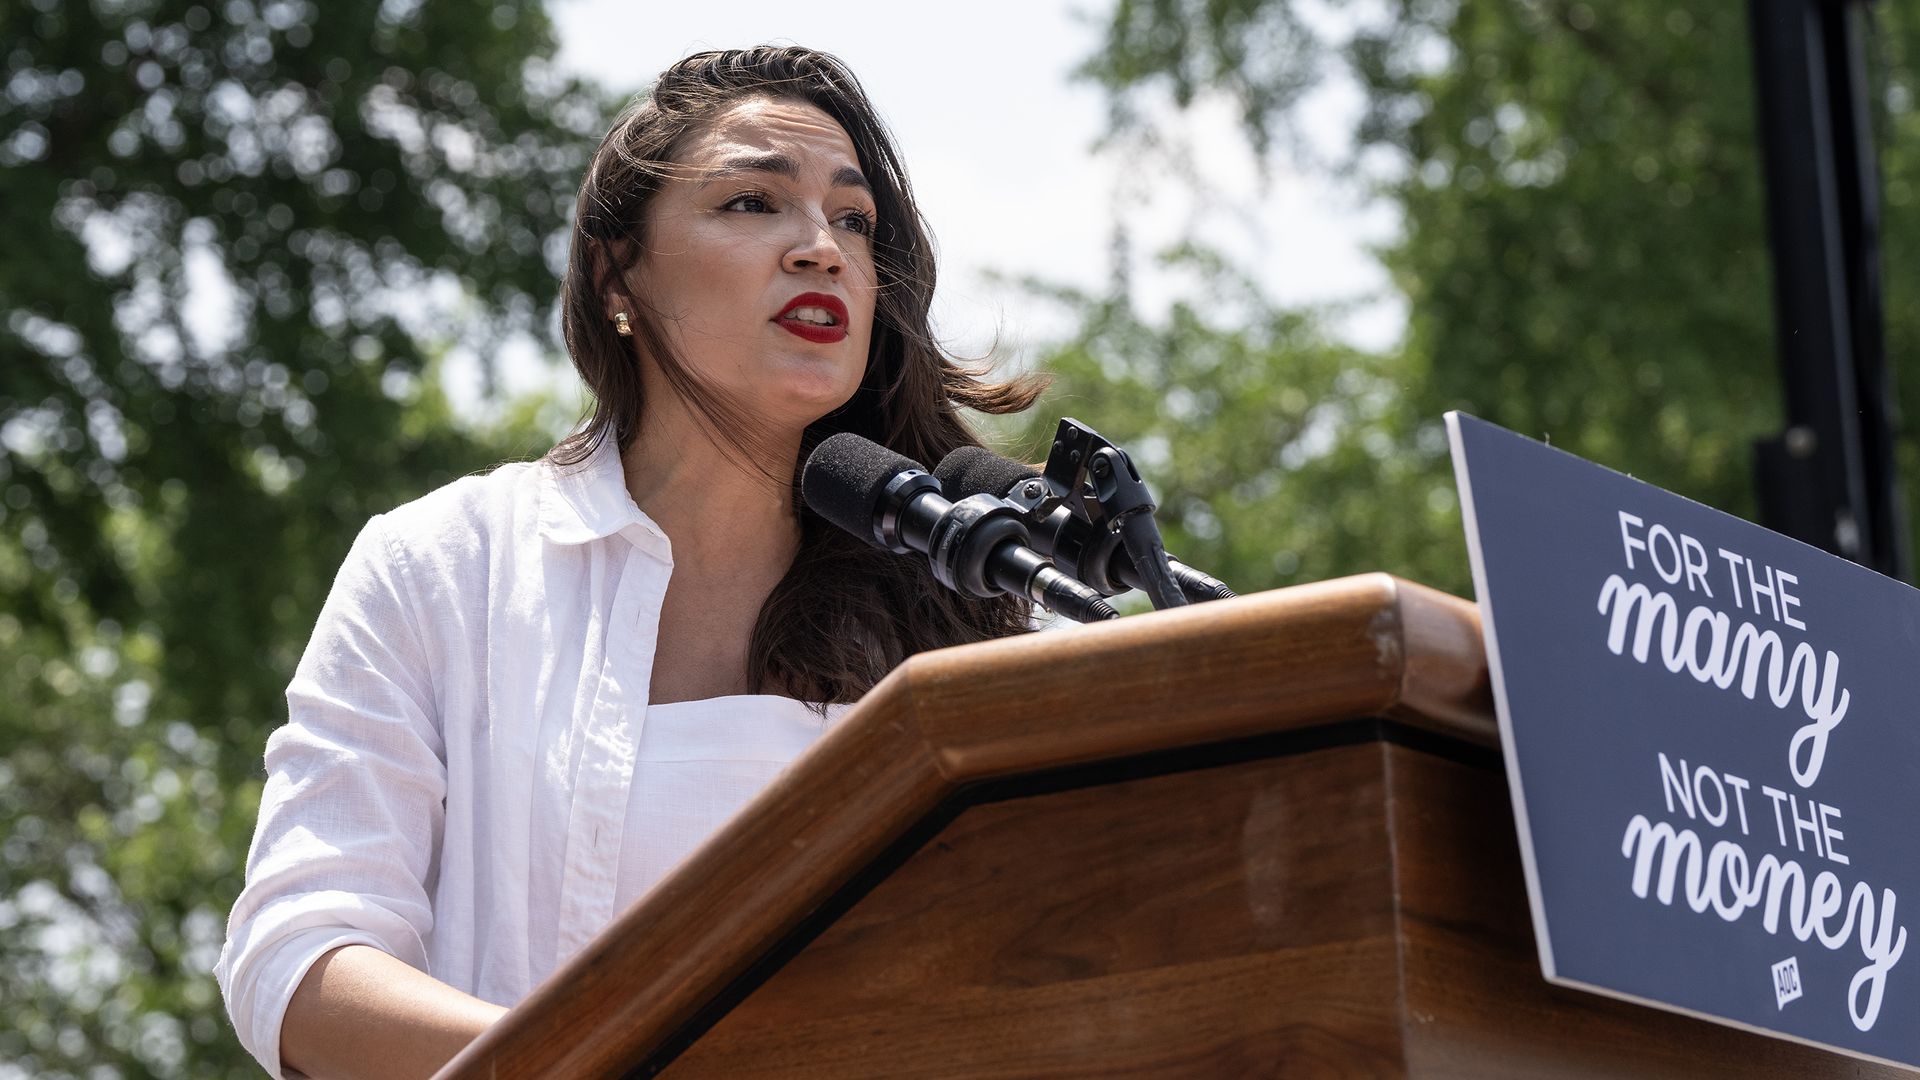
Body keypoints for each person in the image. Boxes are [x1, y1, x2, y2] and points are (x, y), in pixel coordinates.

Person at [214, 46, 1041, 1079]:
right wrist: (611, 1062)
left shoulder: (973, 613)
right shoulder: (442, 568)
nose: (820, 247)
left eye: (854, 220)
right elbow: (298, 962)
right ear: (618, 274)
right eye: (752, 203)